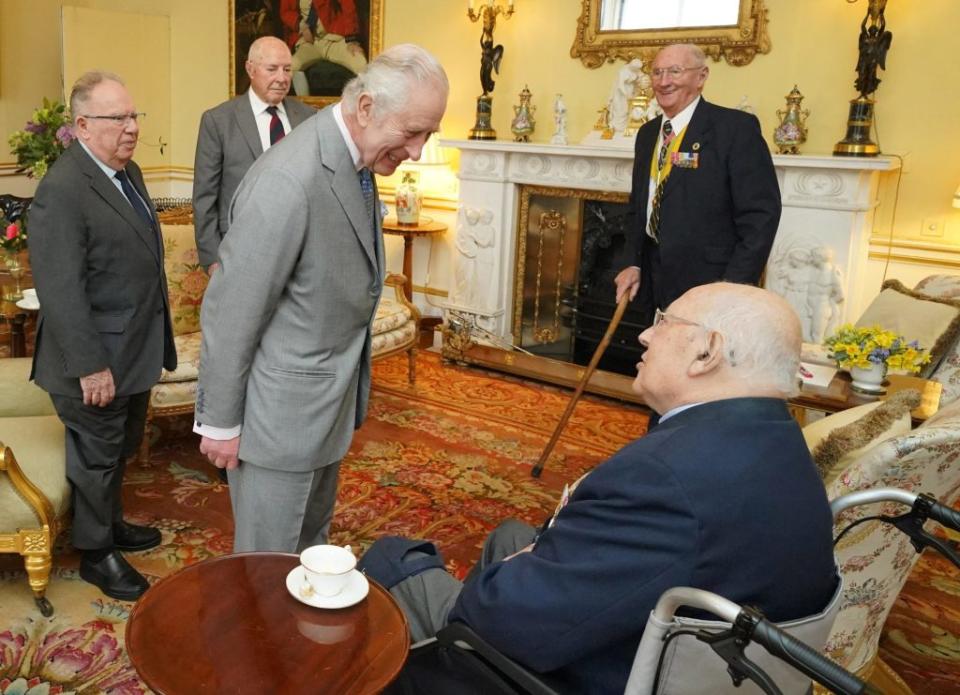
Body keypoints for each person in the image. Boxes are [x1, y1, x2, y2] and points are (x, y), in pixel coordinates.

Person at [363, 282, 839, 694]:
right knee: (510, 535)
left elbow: (499, 617)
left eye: (664, 321)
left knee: (393, 558)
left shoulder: (665, 478)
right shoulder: (779, 439)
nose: (645, 334)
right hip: (696, 651)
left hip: (596, 676)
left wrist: (511, 577)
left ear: (706, 351)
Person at [194, 44, 448, 553]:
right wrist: (220, 422)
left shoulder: (355, 158)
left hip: (321, 411)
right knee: (266, 571)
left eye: (429, 134)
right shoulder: (289, 179)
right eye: (412, 132)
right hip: (277, 425)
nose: (418, 151)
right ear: (367, 108)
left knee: (308, 556)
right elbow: (233, 307)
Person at [27, 71, 177, 601]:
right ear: (83, 126)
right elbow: (61, 290)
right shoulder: (63, 189)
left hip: (132, 349)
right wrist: (90, 365)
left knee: (118, 448)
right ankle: (96, 554)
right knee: (96, 457)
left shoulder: (126, 171)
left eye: (134, 116)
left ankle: (111, 525)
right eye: (119, 119)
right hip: (93, 359)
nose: (132, 128)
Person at [614, 44, 781, 328]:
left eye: (675, 71)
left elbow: (761, 217)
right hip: (653, 280)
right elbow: (638, 206)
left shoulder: (735, 129)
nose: (664, 81)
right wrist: (633, 262)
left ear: (701, 77)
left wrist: (730, 288)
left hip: (710, 283)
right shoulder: (647, 133)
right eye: (657, 72)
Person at [192, 35, 315, 272]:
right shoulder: (219, 121)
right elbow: (205, 196)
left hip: (300, 251)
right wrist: (212, 259)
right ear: (251, 69)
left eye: (287, 69)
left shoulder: (308, 117)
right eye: (272, 69)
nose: (282, 78)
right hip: (239, 250)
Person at [281, 0, 369, 96]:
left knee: (361, 64)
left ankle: (359, 105)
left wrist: (352, 39)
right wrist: (301, 25)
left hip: (334, 39)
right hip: (310, 42)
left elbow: (348, 7)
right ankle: (305, 105)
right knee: (293, 66)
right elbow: (286, 11)